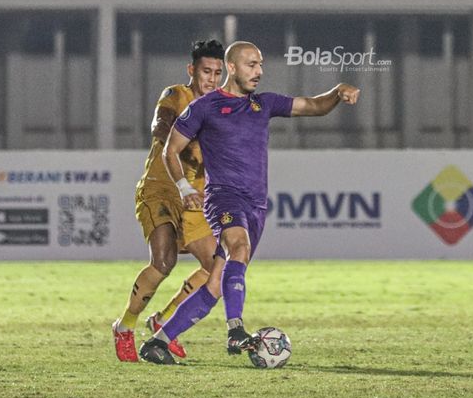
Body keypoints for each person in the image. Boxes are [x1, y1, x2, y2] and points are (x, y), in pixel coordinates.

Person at [139, 41, 360, 364]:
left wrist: (338, 91)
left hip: (256, 205)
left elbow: (314, 106)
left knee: (215, 284)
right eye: (251, 65)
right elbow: (169, 149)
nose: (259, 71)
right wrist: (185, 187)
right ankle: (235, 329)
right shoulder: (205, 107)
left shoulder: (265, 104)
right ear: (232, 67)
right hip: (223, 198)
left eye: (260, 65)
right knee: (238, 248)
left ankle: (158, 342)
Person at [112, 40, 224, 362]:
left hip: (194, 200)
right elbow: (161, 131)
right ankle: (125, 326)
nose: (212, 79)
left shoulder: (222, 108)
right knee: (164, 261)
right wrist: (191, 152)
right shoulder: (176, 95)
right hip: (160, 189)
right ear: (192, 71)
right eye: (206, 71)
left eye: (217, 73)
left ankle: (164, 320)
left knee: (216, 266)